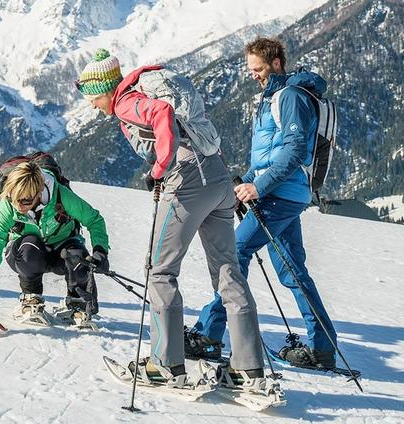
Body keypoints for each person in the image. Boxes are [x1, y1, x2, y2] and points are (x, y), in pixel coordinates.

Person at [75, 49, 267, 390]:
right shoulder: (148, 88)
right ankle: (248, 368)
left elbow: (162, 113)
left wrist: (159, 168)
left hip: (186, 183)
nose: (93, 105)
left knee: (160, 270)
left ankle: (165, 364)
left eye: (92, 98)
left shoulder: (125, 102)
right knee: (227, 271)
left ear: (105, 90)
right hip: (219, 180)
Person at [190, 37, 339, 369]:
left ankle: (210, 335)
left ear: (276, 62)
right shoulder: (275, 97)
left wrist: (258, 186)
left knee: (235, 252)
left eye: (258, 68)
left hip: (280, 194)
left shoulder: (292, 97)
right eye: (250, 69)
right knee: (292, 270)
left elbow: (294, 150)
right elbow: (269, 154)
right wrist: (246, 178)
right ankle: (323, 348)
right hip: (283, 193)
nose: (253, 75)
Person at [0, 162, 110, 338]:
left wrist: (100, 251)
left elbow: (94, 220)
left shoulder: (60, 196)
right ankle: (31, 297)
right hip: (25, 252)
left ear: (39, 193)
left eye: (25, 201)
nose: (19, 206)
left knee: (77, 257)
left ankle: (77, 303)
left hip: (60, 250)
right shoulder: (7, 206)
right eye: (14, 199)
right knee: (29, 248)